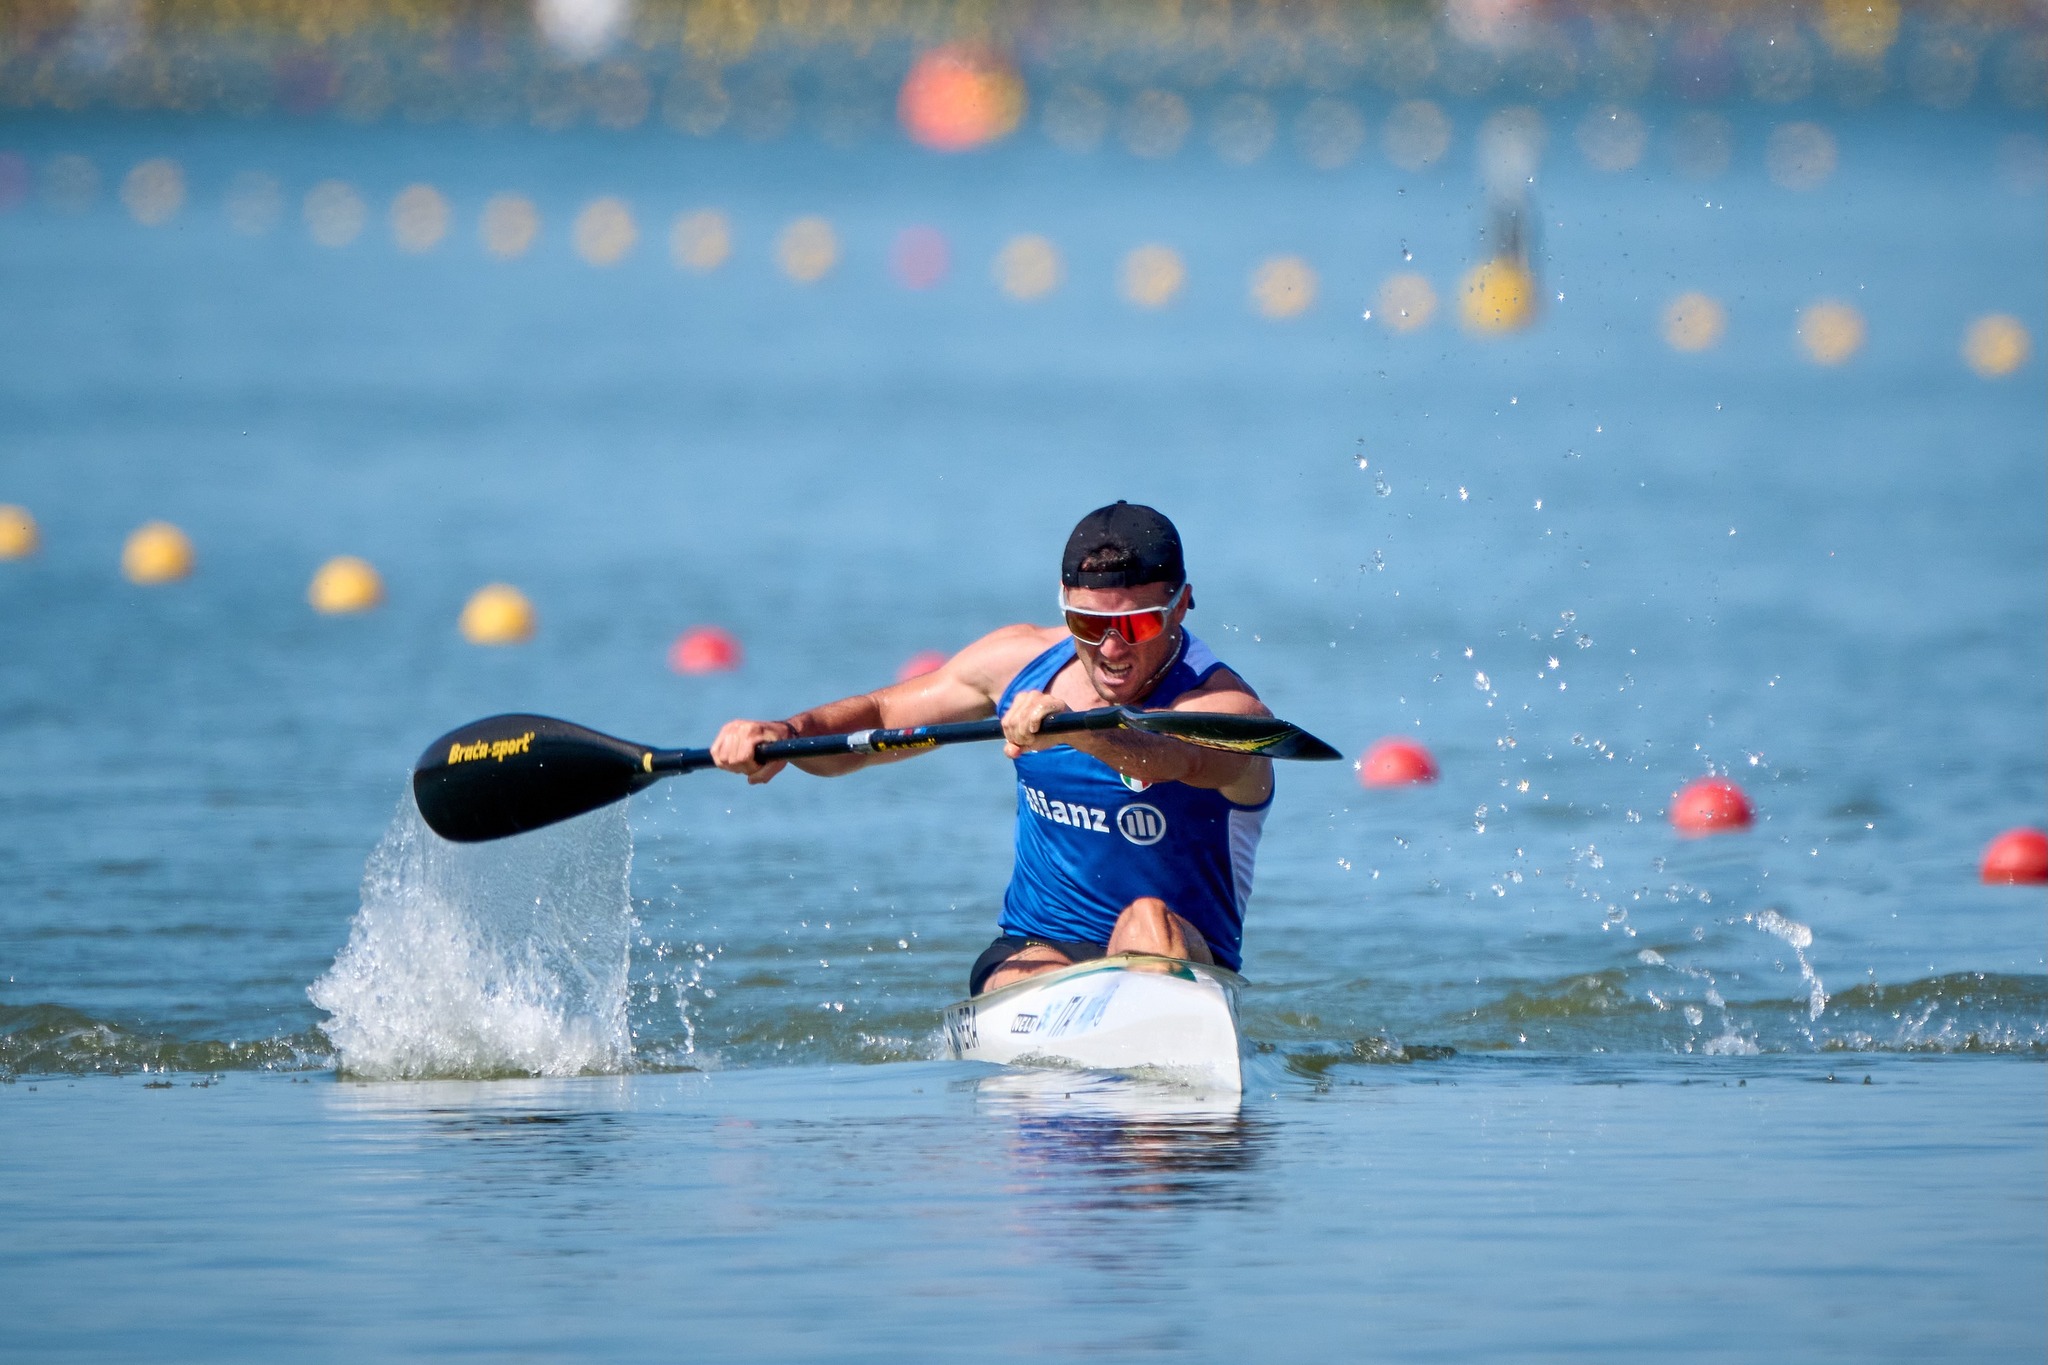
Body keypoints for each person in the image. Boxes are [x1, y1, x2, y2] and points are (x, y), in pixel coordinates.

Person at [709, 502, 1273, 996]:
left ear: (1182, 605)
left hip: (1176, 957)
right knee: (1020, 978)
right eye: (1087, 622)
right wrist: (788, 734)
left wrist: (1079, 732)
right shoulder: (1017, 662)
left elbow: (1181, 757)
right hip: (1039, 953)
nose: (1110, 649)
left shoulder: (1230, 709)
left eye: (1137, 624)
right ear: (1064, 607)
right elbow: (878, 722)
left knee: (1149, 920)